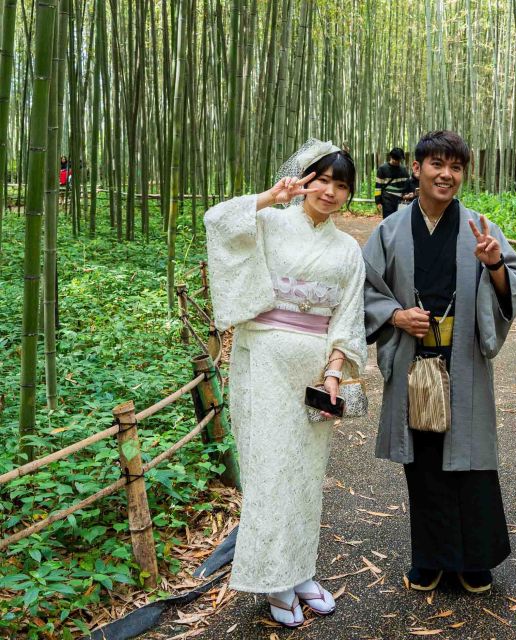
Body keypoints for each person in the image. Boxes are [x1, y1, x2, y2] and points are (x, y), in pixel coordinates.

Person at [204, 139, 367, 628]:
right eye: (322, 179)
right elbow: (216, 221)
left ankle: (299, 572)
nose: (330, 191)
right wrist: (267, 199)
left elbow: (348, 311)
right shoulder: (271, 222)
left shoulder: (347, 248)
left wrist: (336, 367)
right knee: (270, 471)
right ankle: (272, 579)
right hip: (263, 360)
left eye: (341, 185)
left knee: (304, 476)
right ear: (304, 179)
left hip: (314, 371)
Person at [363, 130, 516, 594]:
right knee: (424, 462)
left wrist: (495, 264)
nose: (446, 174)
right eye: (437, 164)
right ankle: (431, 558)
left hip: (464, 360)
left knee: (473, 460)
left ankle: (475, 559)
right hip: (415, 360)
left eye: (456, 167)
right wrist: (396, 315)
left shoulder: (480, 226)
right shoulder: (389, 230)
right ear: (415, 169)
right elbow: (363, 290)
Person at [375, 147, 411, 218]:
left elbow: (408, 185)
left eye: (399, 160)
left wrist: (407, 195)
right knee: (388, 221)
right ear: (391, 157)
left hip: (400, 200)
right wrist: (378, 202)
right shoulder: (382, 169)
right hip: (387, 199)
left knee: (399, 222)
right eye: (396, 159)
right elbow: (378, 187)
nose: (397, 161)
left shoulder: (403, 170)